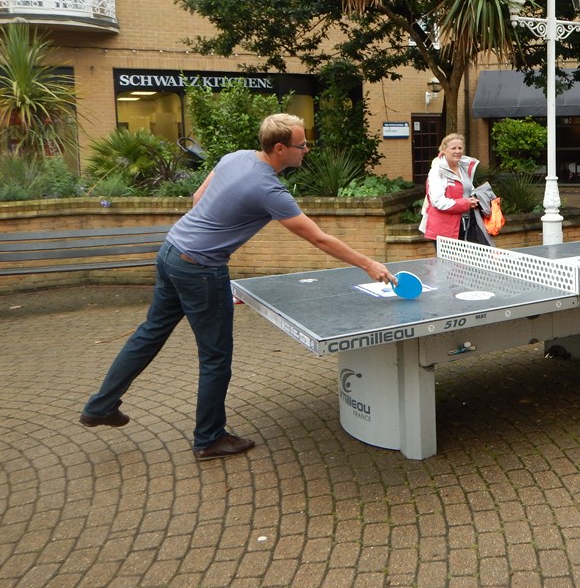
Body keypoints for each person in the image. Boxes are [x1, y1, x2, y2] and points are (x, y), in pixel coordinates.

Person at [80, 114, 395, 460]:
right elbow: (318, 238)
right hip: (200, 270)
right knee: (215, 357)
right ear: (280, 148)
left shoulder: (236, 157)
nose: (306, 149)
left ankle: (101, 405)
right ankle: (209, 438)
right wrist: (368, 264)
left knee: (150, 333)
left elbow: (198, 197)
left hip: (171, 251)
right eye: (302, 144)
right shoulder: (269, 190)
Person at [419, 133, 490, 244]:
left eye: (460, 148)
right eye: (453, 148)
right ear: (444, 150)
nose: (457, 151)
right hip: (444, 230)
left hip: (466, 226)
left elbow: (467, 190)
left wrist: (479, 197)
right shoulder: (437, 171)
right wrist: (466, 203)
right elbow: (438, 202)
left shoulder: (463, 167)